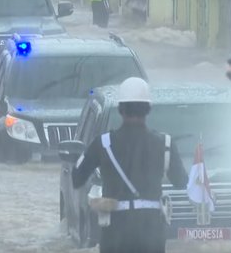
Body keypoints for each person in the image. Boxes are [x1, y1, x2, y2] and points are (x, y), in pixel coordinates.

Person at [72, 77, 188, 253]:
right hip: (152, 235)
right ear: (148, 109)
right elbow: (181, 182)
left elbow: (76, 178)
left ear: (120, 109)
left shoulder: (102, 144)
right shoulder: (165, 144)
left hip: (115, 235)